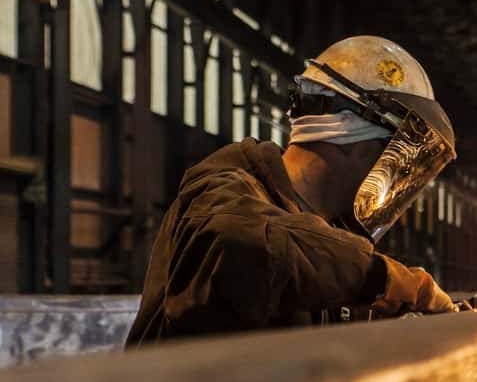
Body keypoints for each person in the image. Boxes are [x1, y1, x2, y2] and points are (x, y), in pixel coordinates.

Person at [127, 36, 457, 346]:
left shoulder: (327, 236)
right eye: (396, 162)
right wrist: (383, 278)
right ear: (351, 140)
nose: (395, 181)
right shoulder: (222, 194)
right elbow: (243, 242)